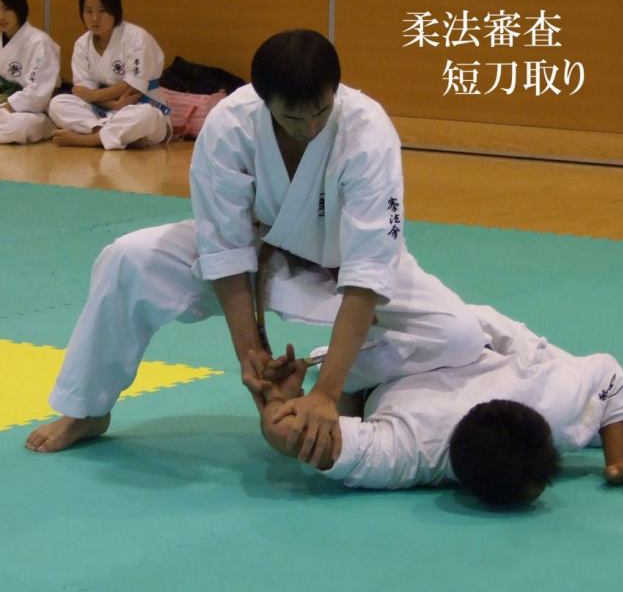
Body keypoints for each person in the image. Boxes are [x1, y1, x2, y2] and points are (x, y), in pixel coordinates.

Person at [25, 29, 486, 458]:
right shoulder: (230, 125)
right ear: (264, 101)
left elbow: (369, 269)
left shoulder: (367, 131)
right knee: (129, 258)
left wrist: (325, 391)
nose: (309, 126)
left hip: (343, 274)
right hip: (261, 261)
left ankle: (345, 381)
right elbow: (225, 251)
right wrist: (258, 370)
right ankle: (86, 409)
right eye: (292, 116)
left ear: (336, 90)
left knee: (457, 336)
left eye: (321, 112)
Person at [257, 306, 623, 505]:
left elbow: (608, 374)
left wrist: (617, 461)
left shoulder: (547, 398)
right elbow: (285, 431)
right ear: (455, 481)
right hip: (418, 351)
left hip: (492, 346)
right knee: (348, 375)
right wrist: (282, 398)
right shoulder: (411, 449)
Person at [47, 0, 171, 149]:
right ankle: (111, 134)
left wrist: (94, 96)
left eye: (102, 11)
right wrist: (113, 105)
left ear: (115, 10)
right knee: (57, 103)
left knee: (146, 115)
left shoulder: (137, 38)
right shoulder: (82, 44)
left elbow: (131, 86)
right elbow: (84, 92)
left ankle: (88, 140)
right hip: (102, 111)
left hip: (139, 105)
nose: (95, 18)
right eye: (88, 11)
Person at [0, 0, 60, 144]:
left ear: (18, 8)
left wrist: (7, 107)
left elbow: (39, 93)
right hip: (3, 107)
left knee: (19, 126)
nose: (1, 16)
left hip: (30, 111)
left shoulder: (40, 42)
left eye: (6, 9)